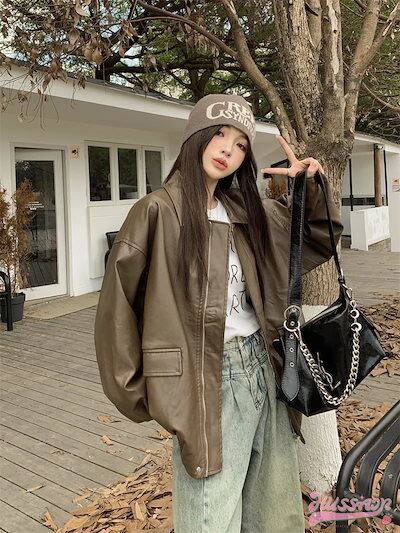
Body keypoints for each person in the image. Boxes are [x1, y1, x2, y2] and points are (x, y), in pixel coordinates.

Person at [94, 93, 343, 532]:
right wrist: (141, 392)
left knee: (274, 513)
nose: (229, 149)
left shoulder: (249, 212)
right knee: (211, 516)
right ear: (197, 136)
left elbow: (317, 240)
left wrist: (309, 188)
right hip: (207, 378)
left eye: (241, 144)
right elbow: (118, 310)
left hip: (266, 367)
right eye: (220, 135)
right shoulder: (156, 212)